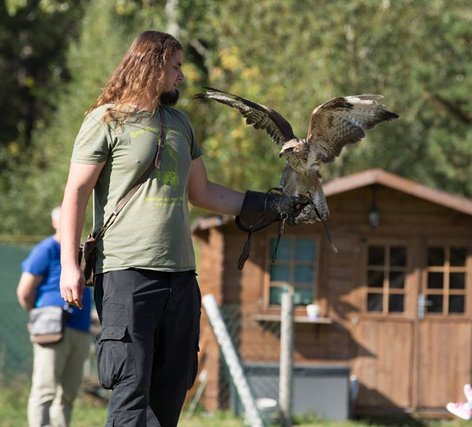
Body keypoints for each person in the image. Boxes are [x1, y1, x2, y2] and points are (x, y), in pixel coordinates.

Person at [59, 30, 308, 427]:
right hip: (127, 274)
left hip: (180, 278)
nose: (181, 76)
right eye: (175, 66)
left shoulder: (180, 123)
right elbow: (75, 193)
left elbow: (204, 192)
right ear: (151, 64)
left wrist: (271, 204)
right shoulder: (106, 120)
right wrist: (68, 267)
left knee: (171, 392)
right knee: (130, 390)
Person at [16, 206, 93, 427]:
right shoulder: (47, 249)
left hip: (80, 327)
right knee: (45, 389)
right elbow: (24, 291)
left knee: (68, 392)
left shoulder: (81, 252)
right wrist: (39, 316)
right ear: (55, 223)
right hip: (52, 329)